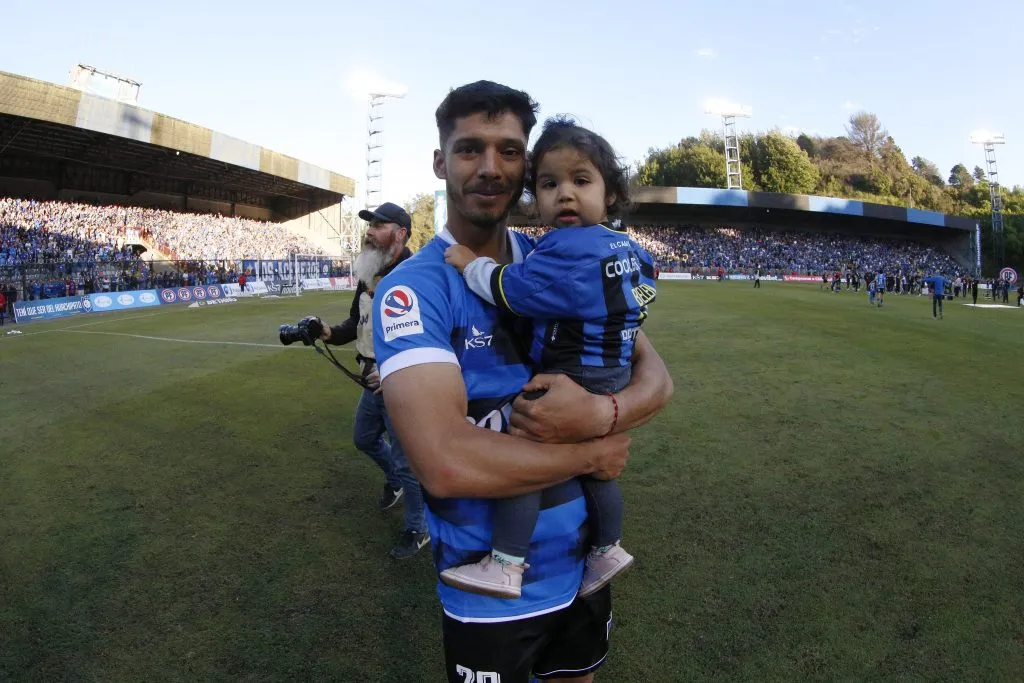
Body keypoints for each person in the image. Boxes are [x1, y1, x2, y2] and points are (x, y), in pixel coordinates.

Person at [372, 81, 673, 683]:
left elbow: (655, 376)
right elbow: (445, 464)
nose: (490, 167)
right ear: (440, 161)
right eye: (469, 149)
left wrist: (601, 418)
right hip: (493, 597)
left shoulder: (556, 258)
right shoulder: (415, 288)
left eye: (509, 151)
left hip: (581, 568)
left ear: (527, 167)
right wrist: (593, 450)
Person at [441, 117, 655, 600]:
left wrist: (471, 264)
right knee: (596, 465)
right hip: (613, 371)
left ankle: (506, 564)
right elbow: (642, 296)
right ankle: (607, 548)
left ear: (610, 193)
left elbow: (512, 290)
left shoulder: (564, 248)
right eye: (549, 183)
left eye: (581, 181)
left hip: (570, 371)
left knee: (526, 455)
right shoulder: (626, 248)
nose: (564, 195)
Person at [317, 202, 430, 560]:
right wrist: (326, 332)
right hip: (371, 380)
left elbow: (433, 336)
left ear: (400, 234)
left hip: (402, 383)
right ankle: (394, 484)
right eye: (370, 225)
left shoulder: (418, 275)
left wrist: (398, 369)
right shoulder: (370, 271)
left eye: (379, 225)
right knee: (363, 438)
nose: (369, 231)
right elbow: (356, 325)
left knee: (406, 461)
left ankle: (419, 528)